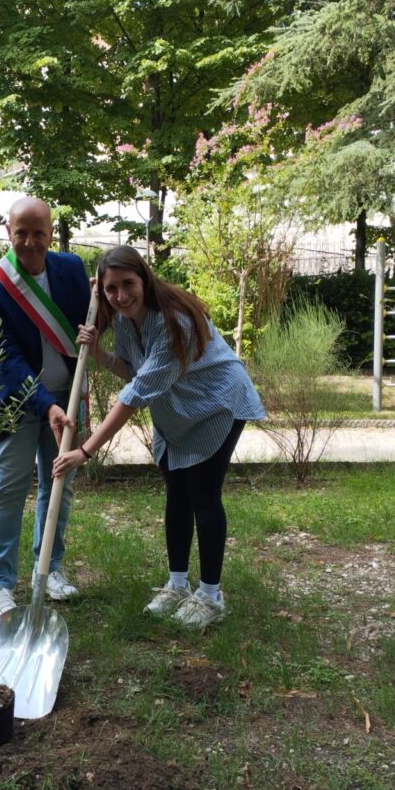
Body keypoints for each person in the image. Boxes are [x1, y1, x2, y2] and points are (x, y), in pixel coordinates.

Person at [53, 245, 265, 628]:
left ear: (145, 279)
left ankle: (211, 595)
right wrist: (97, 351)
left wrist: (84, 451)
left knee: (203, 494)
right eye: (111, 288)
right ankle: (177, 585)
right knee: (177, 494)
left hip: (216, 403)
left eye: (128, 284)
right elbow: (133, 371)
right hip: (177, 410)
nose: (121, 295)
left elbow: (136, 394)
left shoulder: (174, 321)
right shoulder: (124, 319)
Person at [0, 197, 91, 621]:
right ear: (8, 231)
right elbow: (2, 359)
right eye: (21, 232)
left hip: (67, 397)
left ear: (51, 233)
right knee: (8, 489)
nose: (29, 242)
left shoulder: (72, 269)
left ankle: (49, 571)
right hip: (15, 401)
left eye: (38, 232)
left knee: (58, 486)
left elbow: (88, 324)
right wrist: (46, 406)